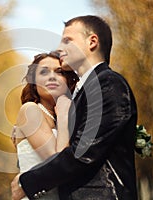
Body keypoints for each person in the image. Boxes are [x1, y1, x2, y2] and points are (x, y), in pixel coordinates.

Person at [11, 15, 138, 200]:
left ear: (92, 42)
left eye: (67, 40)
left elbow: (83, 154)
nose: (60, 48)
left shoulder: (108, 84)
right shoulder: (85, 92)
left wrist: (28, 182)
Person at [12, 51, 78, 199]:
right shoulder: (30, 110)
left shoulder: (68, 116)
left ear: (67, 80)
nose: (52, 76)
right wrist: (62, 117)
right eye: (44, 72)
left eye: (59, 72)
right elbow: (58, 164)